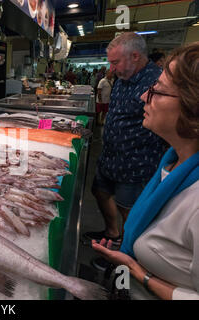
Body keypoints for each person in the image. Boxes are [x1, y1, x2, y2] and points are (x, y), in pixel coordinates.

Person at [92, 42, 199, 300]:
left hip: (133, 166)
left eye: (158, 91)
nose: (143, 97)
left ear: (193, 110)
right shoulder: (173, 163)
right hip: (112, 161)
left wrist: (137, 271)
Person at [83, 33, 167, 268]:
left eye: (115, 62)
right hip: (111, 156)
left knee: (130, 210)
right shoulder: (122, 77)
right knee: (99, 191)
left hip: (136, 162)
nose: (112, 67)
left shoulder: (156, 83)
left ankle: (128, 259)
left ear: (135, 56)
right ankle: (112, 232)